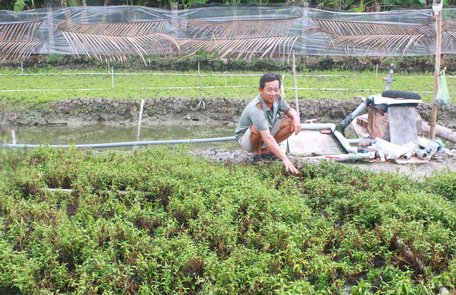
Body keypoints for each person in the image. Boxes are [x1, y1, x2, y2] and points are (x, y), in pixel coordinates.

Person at [235, 73, 301, 175]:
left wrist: (296, 117)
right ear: (260, 90)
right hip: (246, 139)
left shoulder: (277, 98)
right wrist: (284, 158)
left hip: (267, 130)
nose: (273, 93)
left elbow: (289, 110)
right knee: (257, 127)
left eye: (276, 89)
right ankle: (256, 153)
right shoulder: (256, 108)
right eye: (269, 89)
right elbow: (266, 137)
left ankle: (267, 151)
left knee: (290, 121)